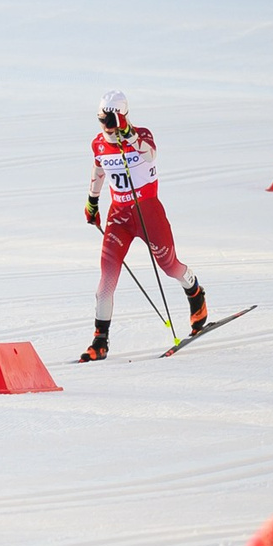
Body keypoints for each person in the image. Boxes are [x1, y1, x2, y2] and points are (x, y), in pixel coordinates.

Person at [79, 92, 207, 360]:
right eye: (102, 119)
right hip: (119, 216)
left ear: (124, 116)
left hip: (148, 212)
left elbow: (150, 157)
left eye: (112, 119)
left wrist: (129, 134)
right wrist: (92, 202)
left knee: (169, 266)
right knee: (106, 280)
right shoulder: (98, 144)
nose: (107, 125)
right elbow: (99, 170)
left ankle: (194, 290)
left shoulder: (142, 136)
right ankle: (99, 340)